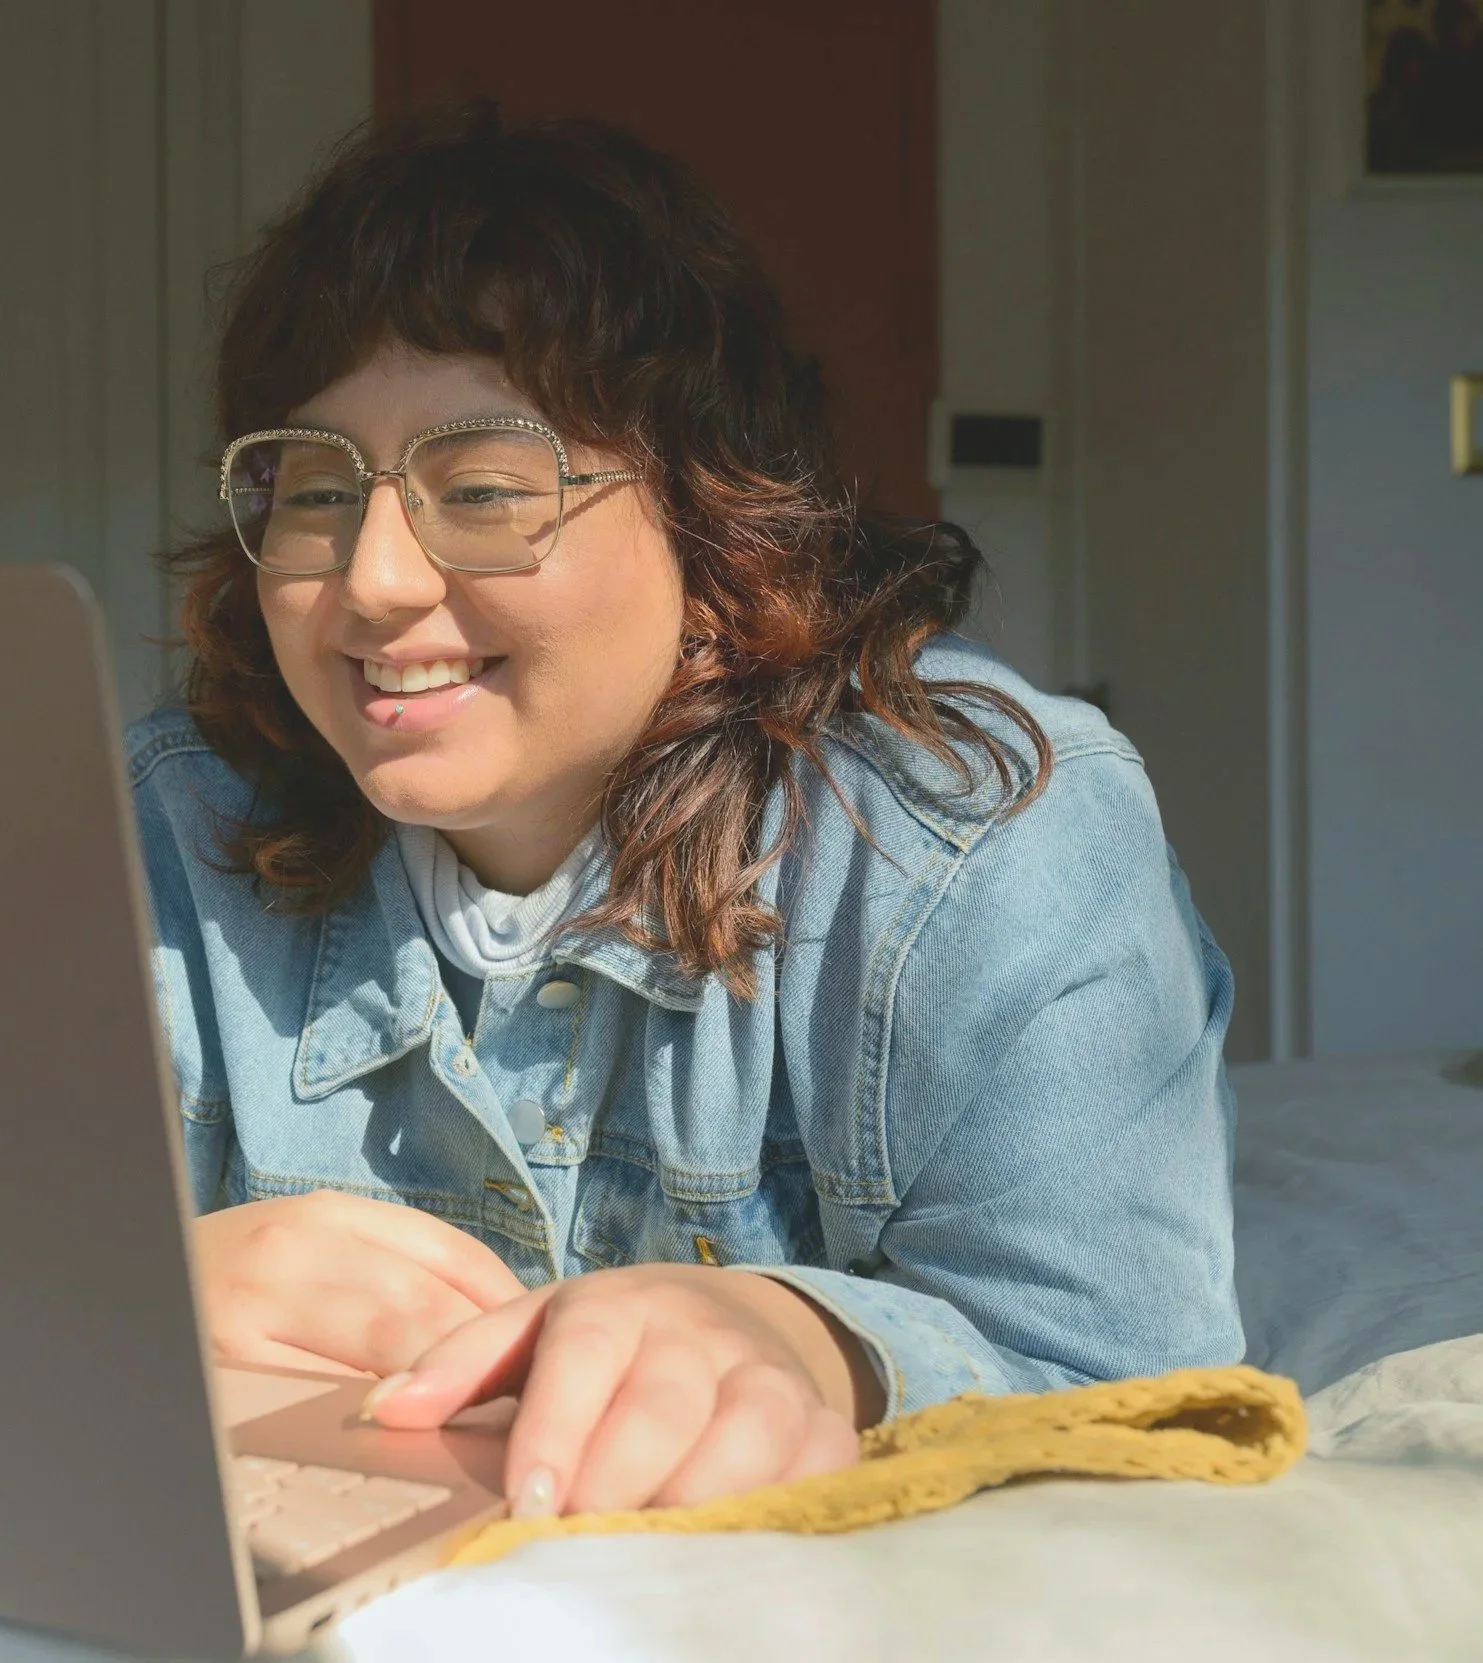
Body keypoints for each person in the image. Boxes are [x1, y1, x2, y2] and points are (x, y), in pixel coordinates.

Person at [127, 102, 1243, 1522]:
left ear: (712, 513)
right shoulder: (169, 830)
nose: (374, 581)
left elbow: (1136, 1383)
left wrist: (821, 1343)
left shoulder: (989, 839)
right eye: (314, 487)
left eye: (482, 487)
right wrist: (126, 1294)